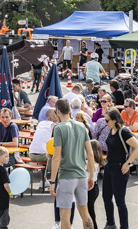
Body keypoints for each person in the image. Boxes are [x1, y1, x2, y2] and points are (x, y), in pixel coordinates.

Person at [49, 98, 96, 229]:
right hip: (81, 174)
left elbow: (56, 157)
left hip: (67, 176)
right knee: (85, 213)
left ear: (57, 111)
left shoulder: (59, 129)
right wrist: (91, 175)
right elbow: (90, 153)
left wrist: (52, 182)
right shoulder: (82, 126)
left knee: (65, 215)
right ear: (70, 110)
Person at [102, 108, 138, 229]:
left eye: (107, 120)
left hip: (119, 168)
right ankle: (110, 223)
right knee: (106, 197)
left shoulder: (123, 132)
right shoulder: (111, 130)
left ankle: (124, 227)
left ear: (114, 120)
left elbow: (137, 147)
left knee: (119, 201)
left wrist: (128, 163)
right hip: (109, 166)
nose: (105, 122)